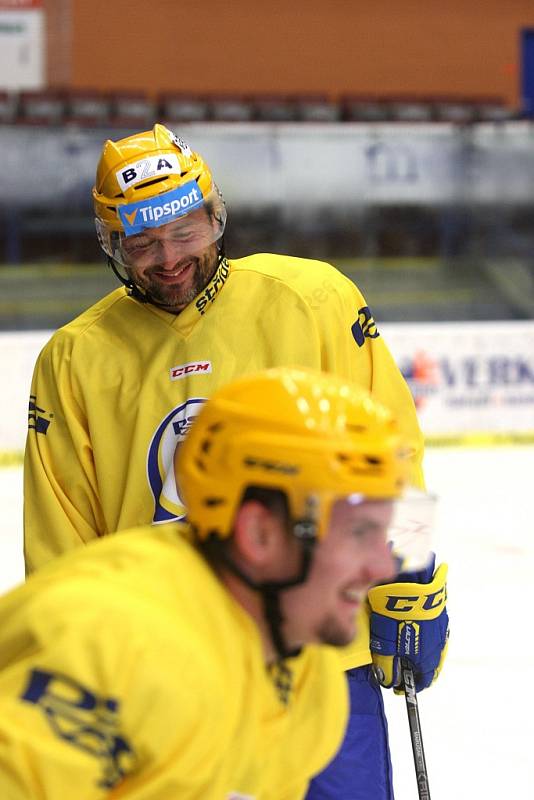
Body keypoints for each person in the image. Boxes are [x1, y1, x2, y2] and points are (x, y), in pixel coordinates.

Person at [24, 124, 449, 800]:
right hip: (165, 670)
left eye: (185, 232)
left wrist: (411, 575)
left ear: (214, 216)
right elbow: (63, 537)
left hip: (319, 655)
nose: (169, 258)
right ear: (114, 245)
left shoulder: (315, 301)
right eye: (143, 243)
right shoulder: (75, 360)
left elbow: (390, 451)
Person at [4, 368, 435, 799]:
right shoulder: (112, 643)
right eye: (358, 534)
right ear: (259, 533)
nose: (381, 567)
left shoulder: (307, 675)